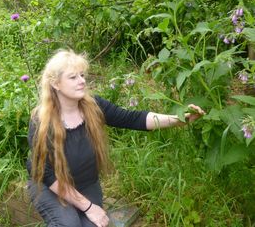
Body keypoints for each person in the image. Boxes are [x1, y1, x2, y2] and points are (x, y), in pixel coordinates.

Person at [26, 49, 205, 227]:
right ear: (56, 84)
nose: (82, 81)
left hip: (86, 184)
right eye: (73, 77)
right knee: (69, 224)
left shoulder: (93, 106)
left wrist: (179, 120)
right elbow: (47, 175)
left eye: (82, 75)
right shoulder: (41, 122)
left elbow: (133, 118)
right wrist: (88, 207)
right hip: (51, 187)